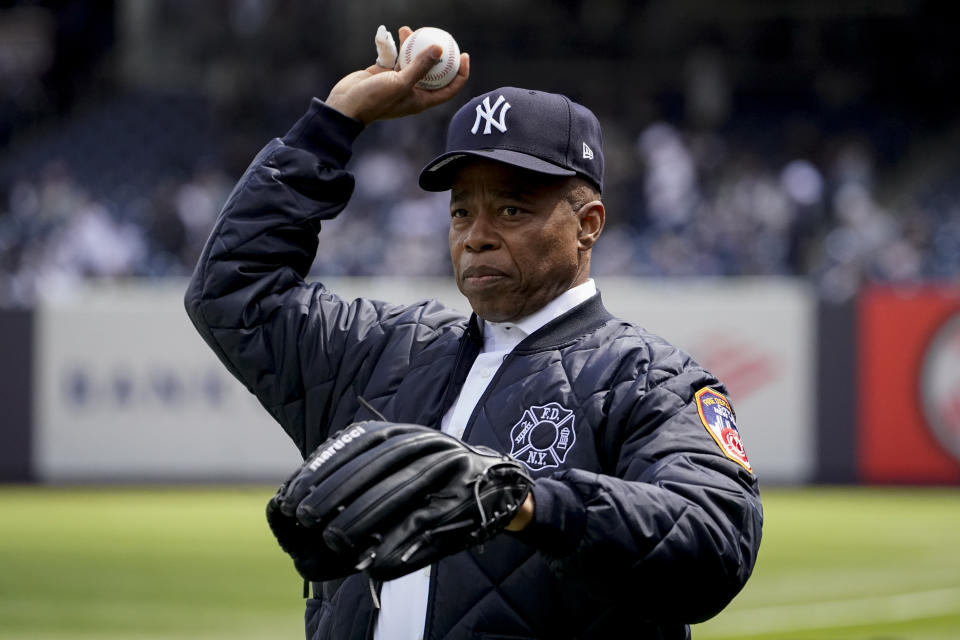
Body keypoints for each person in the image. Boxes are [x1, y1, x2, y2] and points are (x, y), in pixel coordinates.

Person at [185, 25, 762, 640]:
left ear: (588, 224)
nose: (476, 234)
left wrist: (525, 500)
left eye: (511, 209)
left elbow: (714, 543)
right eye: (462, 210)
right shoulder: (381, 352)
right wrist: (334, 122)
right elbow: (232, 292)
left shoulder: (650, 378)